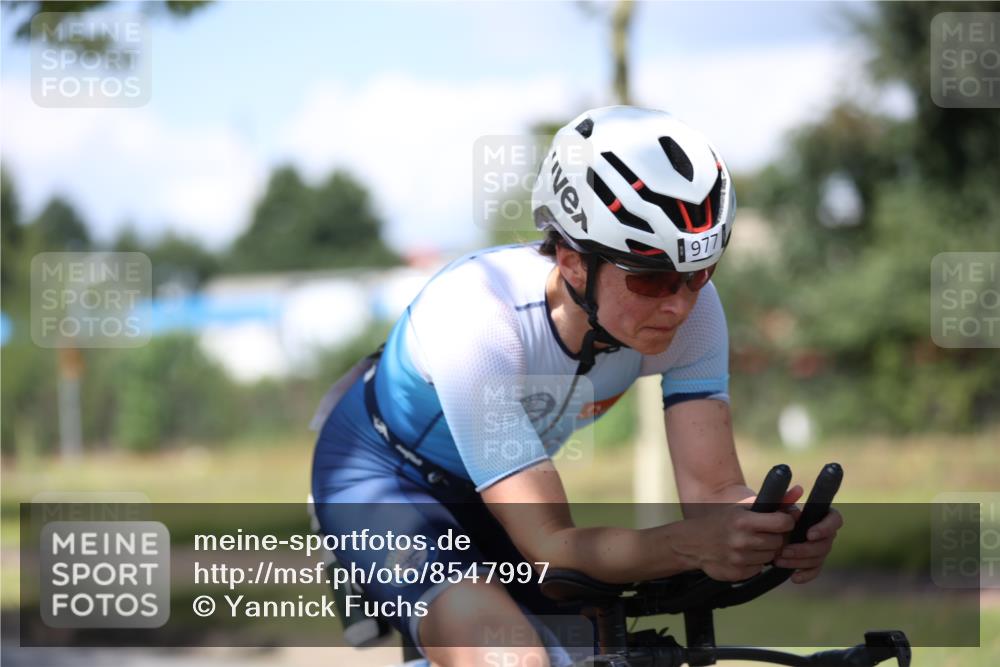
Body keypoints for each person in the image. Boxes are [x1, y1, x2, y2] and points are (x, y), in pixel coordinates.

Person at [310, 106, 843, 667]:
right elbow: (549, 547)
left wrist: (767, 527)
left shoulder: (695, 314)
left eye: (699, 273)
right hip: (385, 480)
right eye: (651, 278)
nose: (680, 304)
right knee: (513, 658)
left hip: (501, 498)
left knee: (593, 656)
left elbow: (714, 495)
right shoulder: (479, 319)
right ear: (573, 263)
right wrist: (688, 545)